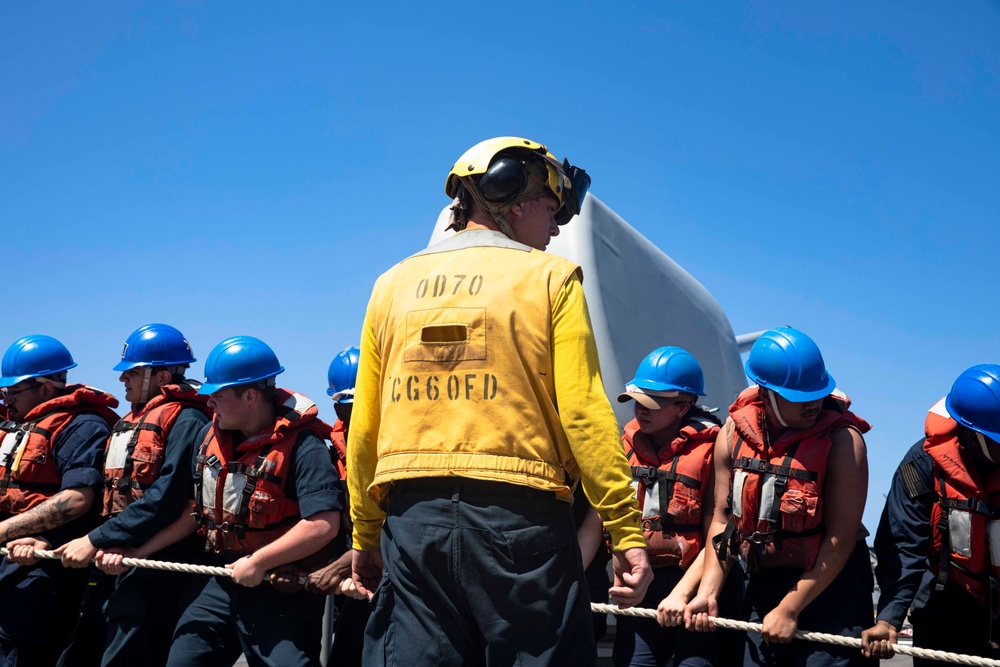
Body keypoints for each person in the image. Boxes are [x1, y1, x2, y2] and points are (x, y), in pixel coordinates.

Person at [346, 136, 652, 666]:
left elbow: (366, 428)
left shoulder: (389, 286)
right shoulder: (551, 278)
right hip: (521, 530)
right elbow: (584, 414)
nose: (557, 229)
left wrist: (365, 535)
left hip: (414, 530)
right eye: (552, 210)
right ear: (512, 196)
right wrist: (626, 531)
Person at [98, 335, 343, 667]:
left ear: (250, 396)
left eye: (217, 395)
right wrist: (137, 554)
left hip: (278, 585)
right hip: (218, 579)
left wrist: (258, 563)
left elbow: (323, 524)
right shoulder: (207, 437)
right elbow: (193, 513)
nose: (208, 404)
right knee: (185, 660)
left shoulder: (304, 445)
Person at [685, 326, 875, 667]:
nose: (814, 403)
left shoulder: (845, 442)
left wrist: (789, 609)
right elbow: (723, 520)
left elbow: (841, 538)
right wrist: (708, 592)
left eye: (819, 392)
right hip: (765, 579)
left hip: (832, 588)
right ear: (765, 392)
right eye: (800, 397)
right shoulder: (732, 433)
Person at [56, 323, 212, 667]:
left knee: (127, 655)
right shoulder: (132, 420)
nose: (123, 379)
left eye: (133, 372)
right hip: (113, 556)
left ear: (162, 376)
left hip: (154, 565)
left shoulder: (188, 418)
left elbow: (168, 497)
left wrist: (97, 539)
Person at [614, 346, 744, 667]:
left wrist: (682, 594)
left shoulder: (712, 451)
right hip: (645, 585)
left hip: (699, 584)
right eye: (636, 399)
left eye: (651, 402)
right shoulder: (625, 445)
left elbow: (719, 531)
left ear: (683, 407)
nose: (639, 410)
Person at [861, 364, 1000, 664]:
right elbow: (903, 543)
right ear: (971, 433)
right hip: (946, 611)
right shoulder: (922, 465)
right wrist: (889, 618)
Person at [0, 334, 119, 666]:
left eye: (14, 391)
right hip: (8, 561)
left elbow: (78, 498)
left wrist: (4, 531)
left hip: (41, 572)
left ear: (45, 388)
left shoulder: (82, 426)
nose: (8, 399)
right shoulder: (21, 426)